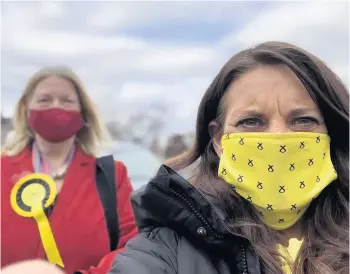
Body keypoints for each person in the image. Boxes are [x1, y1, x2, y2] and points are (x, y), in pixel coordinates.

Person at [109, 41, 349, 274]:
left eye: (303, 120)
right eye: (251, 122)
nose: (279, 136)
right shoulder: (164, 251)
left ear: (332, 132)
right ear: (218, 139)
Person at [1, 67, 138, 274]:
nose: (55, 107)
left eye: (67, 101)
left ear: (83, 114)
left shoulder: (112, 176)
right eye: (44, 100)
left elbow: (133, 249)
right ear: (26, 111)